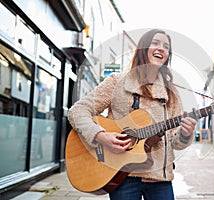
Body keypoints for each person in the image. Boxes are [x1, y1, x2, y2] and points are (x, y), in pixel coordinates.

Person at [67, 29, 197, 200]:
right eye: (155, 43)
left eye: (166, 47)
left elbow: (175, 143)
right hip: (122, 176)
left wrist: (185, 134)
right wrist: (100, 136)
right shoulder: (117, 81)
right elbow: (77, 111)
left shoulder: (171, 94)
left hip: (160, 178)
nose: (161, 49)